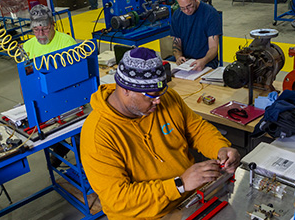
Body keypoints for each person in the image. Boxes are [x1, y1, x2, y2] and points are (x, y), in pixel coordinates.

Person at [81, 47, 240, 219]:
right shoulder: (97, 135)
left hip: (189, 199)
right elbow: (119, 200)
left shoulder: (166, 98)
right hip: (148, 215)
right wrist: (179, 184)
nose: (158, 101)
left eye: (160, 93)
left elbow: (196, 129)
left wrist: (220, 148)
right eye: (151, 96)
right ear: (125, 89)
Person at [22, 4, 77, 167]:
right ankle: (60, 147)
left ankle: (82, 153)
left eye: (45, 29)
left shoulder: (67, 43)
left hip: (68, 95)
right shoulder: (28, 46)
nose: (40, 34)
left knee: (79, 128)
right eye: (35, 30)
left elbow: (75, 76)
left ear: (53, 24)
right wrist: (26, 101)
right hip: (43, 97)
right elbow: (24, 79)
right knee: (32, 125)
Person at [169, 0, 222, 71]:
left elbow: (213, 48)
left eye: (189, 6)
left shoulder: (210, 14)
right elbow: (176, 43)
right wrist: (178, 57)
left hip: (206, 61)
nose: (186, 10)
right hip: (186, 61)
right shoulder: (177, 15)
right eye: (182, 8)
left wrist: (203, 61)